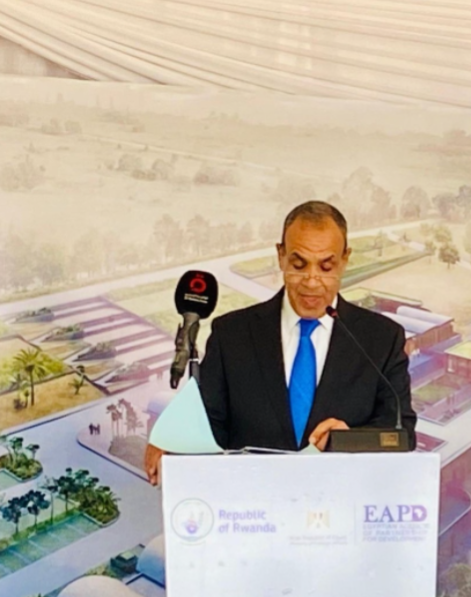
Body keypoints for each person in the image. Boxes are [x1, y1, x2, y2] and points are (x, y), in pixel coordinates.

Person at [145, 201, 415, 483]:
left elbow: (401, 433)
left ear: (345, 260)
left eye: (326, 267)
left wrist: (352, 440)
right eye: (299, 265)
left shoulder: (381, 339)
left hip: (342, 498)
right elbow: (209, 425)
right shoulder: (232, 334)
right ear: (281, 256)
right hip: (250, 501)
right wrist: (173, 443)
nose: (312, 281)